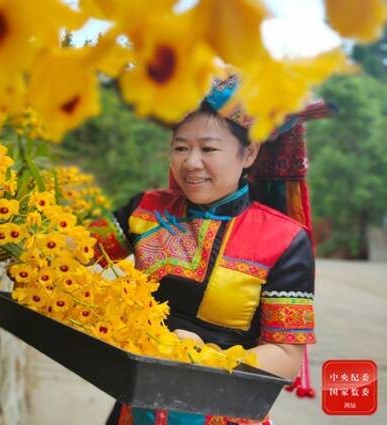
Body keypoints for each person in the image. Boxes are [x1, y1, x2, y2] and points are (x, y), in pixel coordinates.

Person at [89, 74, 332, 425]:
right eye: (181, 147)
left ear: (248, 152)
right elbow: (76, 251)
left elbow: (285, 356)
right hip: (134, 409)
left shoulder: (284, 239)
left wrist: (205, 356)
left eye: (208, 148)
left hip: (224, 412)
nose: (190, 163)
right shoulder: (144, 210)